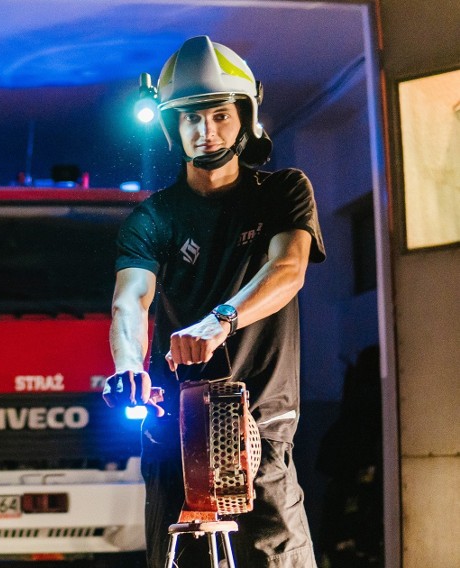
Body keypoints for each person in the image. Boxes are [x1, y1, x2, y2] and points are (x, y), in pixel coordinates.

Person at [103, 36, 325, 567]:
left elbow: (288, 268)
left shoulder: (281, 192)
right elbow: (129, 301)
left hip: (261, 430)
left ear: (244, 118)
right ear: (172, 128)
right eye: (191, 118)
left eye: (220, 116)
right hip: (175, 436)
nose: (206, 132)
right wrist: (130, 365)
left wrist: (220, 320)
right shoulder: (151, 217)